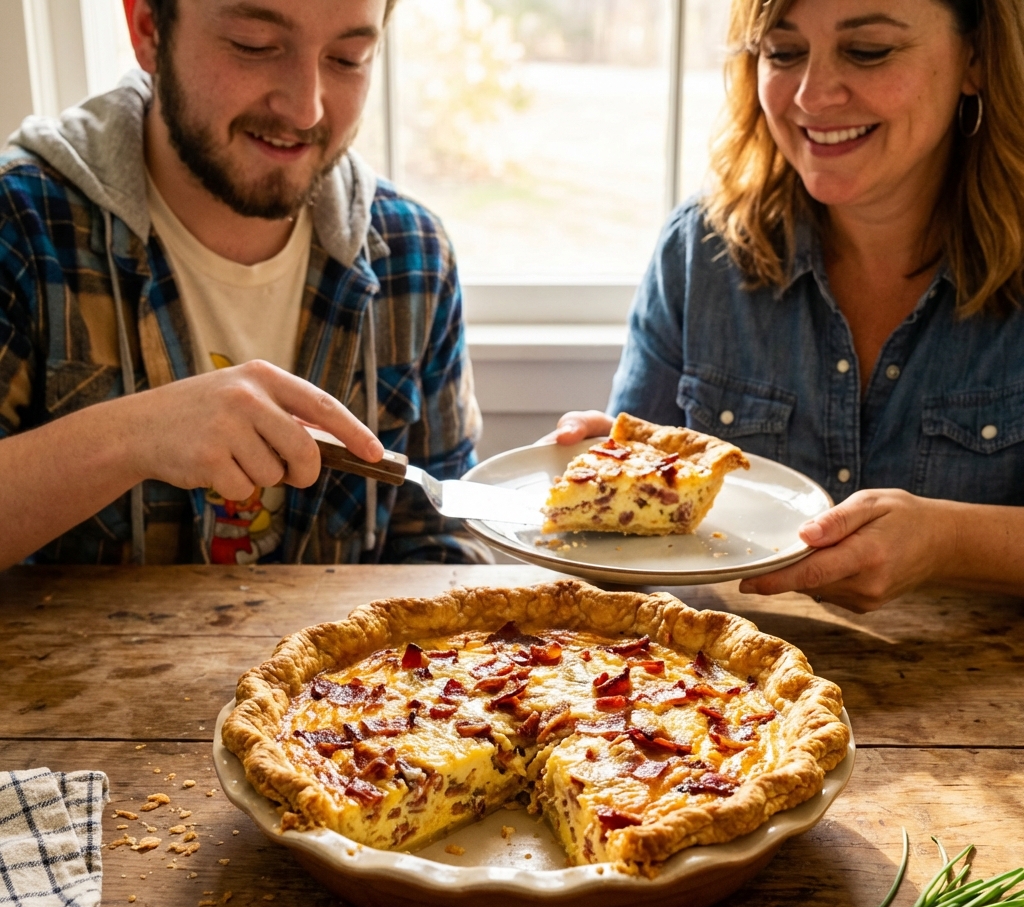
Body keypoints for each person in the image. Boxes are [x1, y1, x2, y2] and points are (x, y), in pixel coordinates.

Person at [552, 0, 1024, 612]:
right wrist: (606, 482)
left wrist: (949, 542)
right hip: (716, 668)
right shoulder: (700, 250)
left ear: (977, 57)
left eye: (868, 52)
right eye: (783, 53)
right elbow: (620, 572)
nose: (811, 95)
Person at [0, 0, 487, 569]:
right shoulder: (22, 225)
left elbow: (445, 544)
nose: (304, 109)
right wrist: (130, 437)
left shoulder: (414, 254)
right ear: (148, 28)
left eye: (347, 58)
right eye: (254, 46)